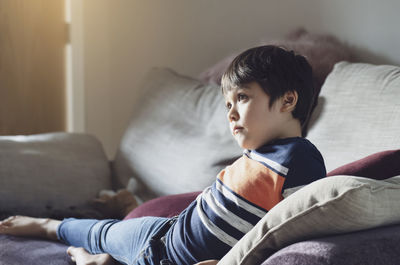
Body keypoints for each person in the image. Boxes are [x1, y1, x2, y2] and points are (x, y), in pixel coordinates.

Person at [0, 45, 326, 265]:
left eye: (242, 98)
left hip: (171, 259)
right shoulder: (255, 156)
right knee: (101, 231)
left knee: (106, 242)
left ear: (287, 101)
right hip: (162, 232)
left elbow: (288, 234)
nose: (230, 114)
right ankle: (49, 226)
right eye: (227, 104)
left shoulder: (298, 160)